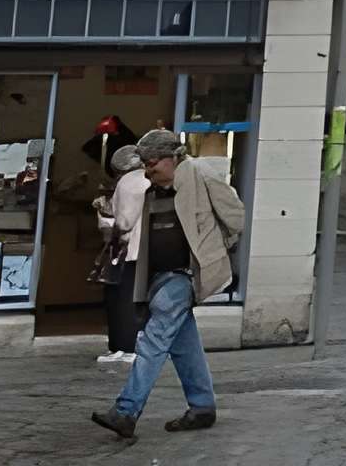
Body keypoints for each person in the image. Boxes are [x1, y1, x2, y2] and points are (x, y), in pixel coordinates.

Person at [88, 129, 242, 441]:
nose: (148, 170)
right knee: (184, 346)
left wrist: (212, 250)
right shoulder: (151, 191)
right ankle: (202, 407)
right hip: (159, 277)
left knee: (153, 341)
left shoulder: (199, 173)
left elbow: (235, 218)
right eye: (144, 164)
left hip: (182, 275)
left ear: (173, 158)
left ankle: (126, 411)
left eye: (153, 164)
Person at [92, 144, 145, 364]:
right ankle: (127, 346)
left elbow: (123, 222)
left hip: (126, 248)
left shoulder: (127, 183)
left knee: (120, 299)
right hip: (143, 249)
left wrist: (105, 214)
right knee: (132, 300)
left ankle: (122, 346)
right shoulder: (149, 180)